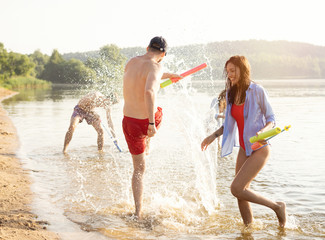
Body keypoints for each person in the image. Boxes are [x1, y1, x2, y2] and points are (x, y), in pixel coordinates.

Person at [201, 56, 286, 228]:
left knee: (236, 188)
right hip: (243, 149)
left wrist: (263, 131)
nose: (230, 75)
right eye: (228, 72)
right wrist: (213, 136)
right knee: (240, 193)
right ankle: (248, 229)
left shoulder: (257, 91)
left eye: (233, 71)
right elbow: (229, 123)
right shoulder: (231, 93)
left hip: (260, 148)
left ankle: (277, 207)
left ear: (243, 69)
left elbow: (272, 119)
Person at [122, 36, 182, 220]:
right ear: (163, 54)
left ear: (147, 47)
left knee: (138, 169)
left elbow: (145, 75)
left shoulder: (131, 62)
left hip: (128, 121)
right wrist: (151, 124)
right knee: (159, 111)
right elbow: (149, 91)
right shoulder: (157, 66)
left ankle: (137, 212)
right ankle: (148, 141)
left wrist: (168, 75)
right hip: (145, 122)